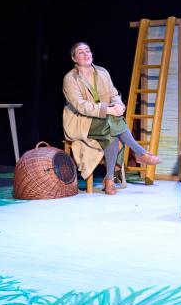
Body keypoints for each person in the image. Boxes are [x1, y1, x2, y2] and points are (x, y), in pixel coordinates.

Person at [63, 42, 160, 195]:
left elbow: (114, 94)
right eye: (81, 52)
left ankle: (109, 179)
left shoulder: (102, 72)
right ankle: (140, 153)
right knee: (113, 122)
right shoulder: (70, 79)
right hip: (82, 121)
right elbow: (81, 106)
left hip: (105, 121)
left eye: (88, 51)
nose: (86, 54)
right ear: (74, 58)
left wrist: (119, 105)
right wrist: (109, 110)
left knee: (112, 133)